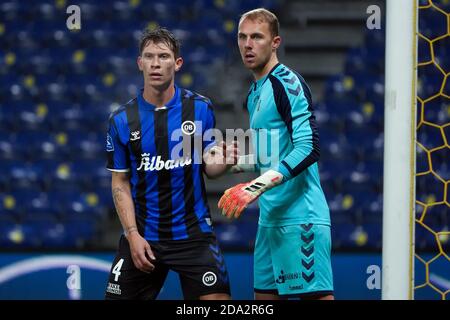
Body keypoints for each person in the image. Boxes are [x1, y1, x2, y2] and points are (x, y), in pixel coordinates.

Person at [105, 27, 237, 300]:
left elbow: (208, 167)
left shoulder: (200, 108)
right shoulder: (121, 120)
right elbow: (120, 181)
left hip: (194, 234)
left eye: (163, 56)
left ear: (177, 63)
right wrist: (132, 235)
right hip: (143, 235)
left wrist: (222, 162)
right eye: (149, 56)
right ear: (139, 63)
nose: (156, 63)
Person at [218, 8, 334, 300]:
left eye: (257, 37)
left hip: (301, 218)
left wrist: (253, 187)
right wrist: (231, 164)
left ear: (275, 42)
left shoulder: (287, 82)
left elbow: (308, 147)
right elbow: (270, 155)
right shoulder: (255, 91)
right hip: (270, 221)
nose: (248, 44)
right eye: (242, 37)